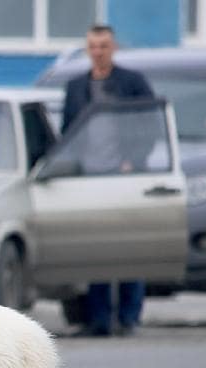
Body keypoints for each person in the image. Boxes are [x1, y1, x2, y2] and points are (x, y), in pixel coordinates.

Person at [62, 24, 154, 337]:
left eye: (103, 46)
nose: (98, 52)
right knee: (95, 249)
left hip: (125, 177)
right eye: (93, 46)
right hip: (89, 179)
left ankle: (129, 317)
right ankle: (98, 319)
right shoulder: (77, 87)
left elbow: (150, 125)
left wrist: (134, 161)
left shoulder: (132, 83)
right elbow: (68, 133)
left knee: (129, 247)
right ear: (87, 49)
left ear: (113, 48)